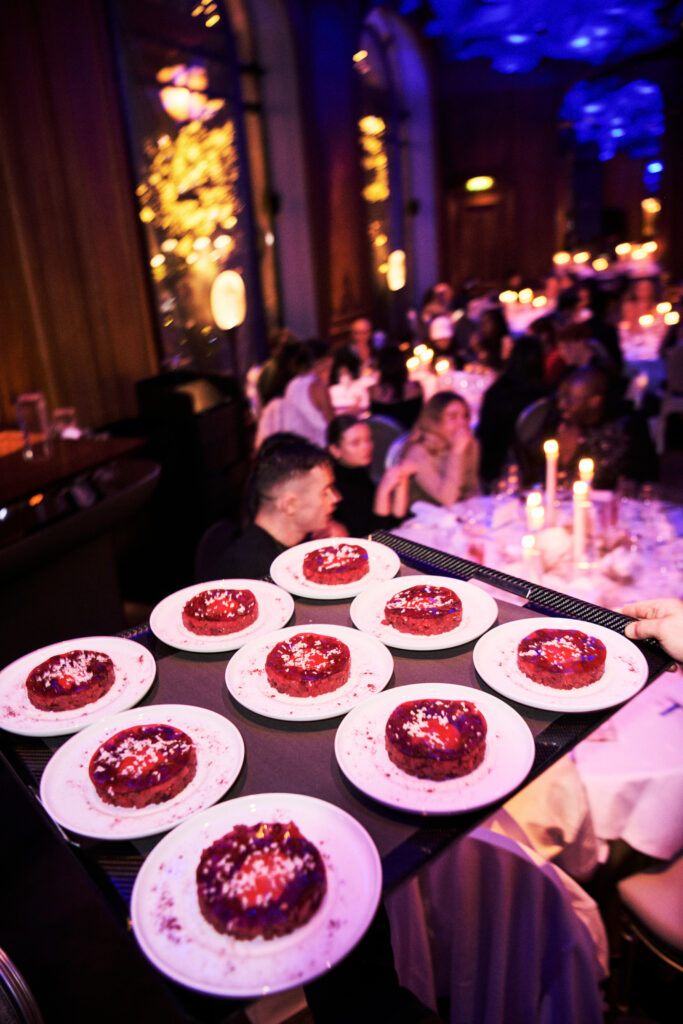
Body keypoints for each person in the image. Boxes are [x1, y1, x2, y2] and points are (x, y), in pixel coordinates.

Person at [213, 433, 340, 579]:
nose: (336, 498)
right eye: (325, 492)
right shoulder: (255, 576)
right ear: (290, 504)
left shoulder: (299, 547)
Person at [516, 366, 657, 490]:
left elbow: (617, 481)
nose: (561, 405)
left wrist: (574, 451)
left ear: (594, 401)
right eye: (560, 398)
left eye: (570, 399)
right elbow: (529, 467)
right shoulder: (556, 422)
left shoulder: (626, 427)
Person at [476, 335, 547, 490]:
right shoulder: (544, 393)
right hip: (535, 464)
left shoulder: (497, 393)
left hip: (499, 465)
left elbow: (485, 435)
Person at [327, 414, 415, 536]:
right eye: (356, 443)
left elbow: (395, 522)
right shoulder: (334, 484)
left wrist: (402, 476)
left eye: (368, 439)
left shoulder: (358, 471)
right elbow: (373, 535)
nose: (366, 447)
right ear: (335, 450)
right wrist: (383, 491)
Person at [399, 391, 480, 506]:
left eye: (464, 416)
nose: (462, 423)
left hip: (460, 512)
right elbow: (448, 499)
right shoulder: (418, 451)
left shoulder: (468, 444)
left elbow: (472, 488)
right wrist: (456, 452)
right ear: (434, 421)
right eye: (453, 417)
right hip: (424, 515)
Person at [369, 343, 423, 429]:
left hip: (383, 435)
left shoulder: (374, 391)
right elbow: (420, 419)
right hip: (409, 435)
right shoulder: (414, 388)